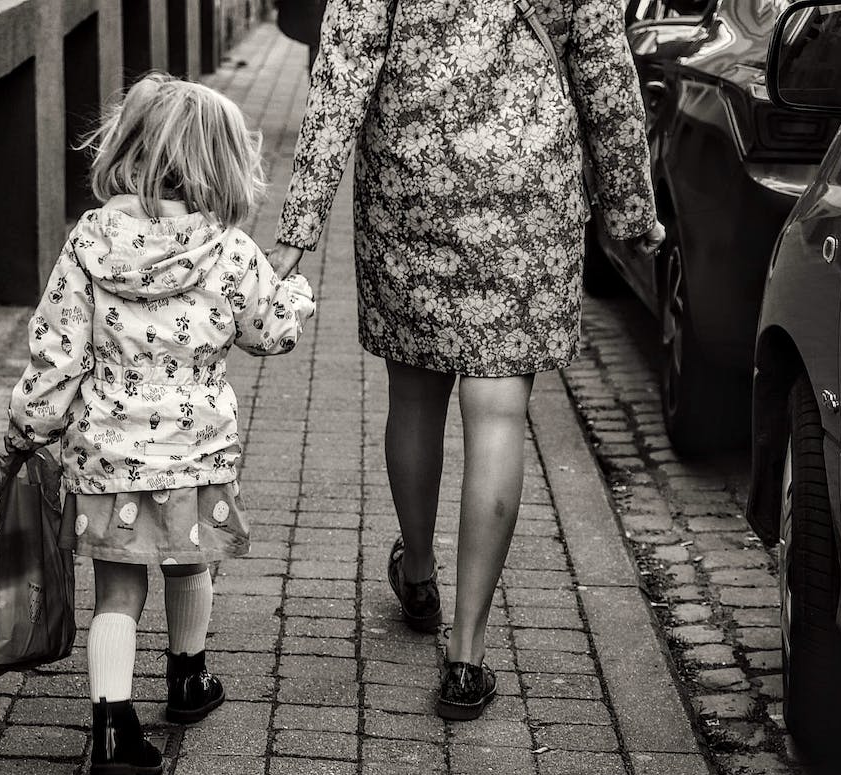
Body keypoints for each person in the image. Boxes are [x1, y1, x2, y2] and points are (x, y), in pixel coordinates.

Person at [270, 0, 665, 720]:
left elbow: (345, 61)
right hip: (528, 182)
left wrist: (300, 220)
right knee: (499, 412)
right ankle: (466, 656)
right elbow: (604, 63)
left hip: (411, 177)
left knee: (415, 395)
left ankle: (418, 573)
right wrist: (631, 206)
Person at [5, 74, 316, 775]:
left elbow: (57, 348)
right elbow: (269, 333)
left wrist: (31, 423)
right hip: (195, 453)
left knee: (117, 592)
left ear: (130, 147)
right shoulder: (230, 250)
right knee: (190, 560)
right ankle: (186, 679)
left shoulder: (90, 241)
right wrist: (292, 293)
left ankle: (113, 730)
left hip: (107, 456)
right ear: (219, 163)